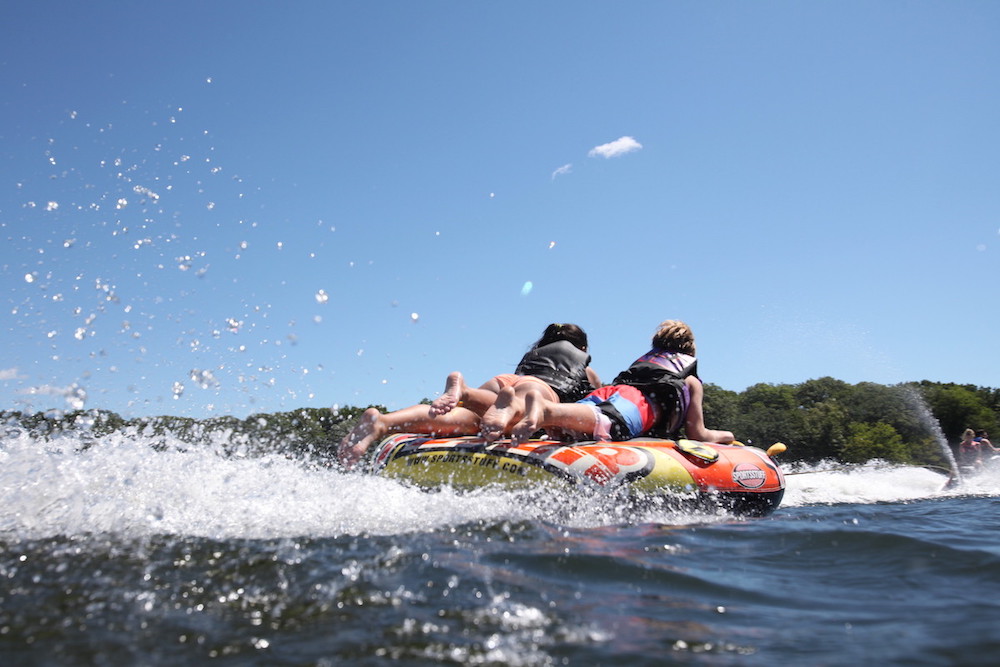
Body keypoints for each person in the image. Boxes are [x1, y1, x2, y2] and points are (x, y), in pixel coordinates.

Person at [337, 323, 600, 469]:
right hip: (535, 389)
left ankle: (382, 422)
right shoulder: (583, 367)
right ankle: (466, 392)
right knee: (515, 413)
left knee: (465, 418)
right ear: (582, 347)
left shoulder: (532, 357)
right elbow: (591, 406)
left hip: (501, 384)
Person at [511, 319, 734, 446]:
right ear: (690, 349)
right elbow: (697, 434)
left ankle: (549, 420)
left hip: (612, 393)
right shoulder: (690, 381)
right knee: (609, 423)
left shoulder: (644, 365)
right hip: (635, 404)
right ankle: (545, 411)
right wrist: (726, 436)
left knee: (583, 421)